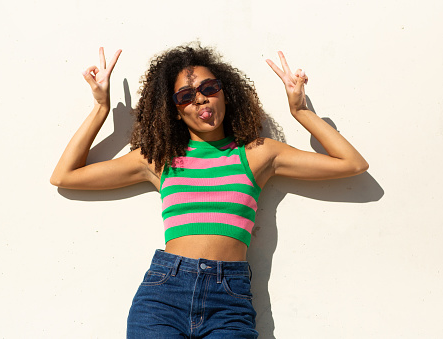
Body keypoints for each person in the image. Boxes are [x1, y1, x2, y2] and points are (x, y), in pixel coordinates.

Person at [50, 43, 368, 338]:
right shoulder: (160, 159)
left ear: (224, 94)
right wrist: (100, 109)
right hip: (164, 295)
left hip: (229, 300)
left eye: (208, 88)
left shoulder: (258, 154)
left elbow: (352, 164)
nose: (199, 98)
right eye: (185, 95)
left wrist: (301, 111)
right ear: (175, 110)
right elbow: (65, 175)